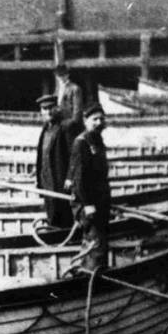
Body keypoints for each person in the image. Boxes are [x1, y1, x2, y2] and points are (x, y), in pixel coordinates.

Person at [67, 104, 112, 270]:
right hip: (88, 203)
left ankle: (91, 271)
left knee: (99, 240)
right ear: (86, 121)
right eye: (95, 119)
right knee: (96, 242)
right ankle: (94, 276)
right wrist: (87, 205)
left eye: (101, 119)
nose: (99, 122)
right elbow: (79, 178)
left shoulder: (97, 140)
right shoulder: (81, 143)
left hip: (101, 201)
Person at [34, 93, 78, 229]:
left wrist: (70, 177)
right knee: (51, 211)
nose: (48, 112)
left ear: (57, 108)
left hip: (60, 179)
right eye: (44, 109)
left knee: (63, 213)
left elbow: (74, 155)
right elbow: (44, 153)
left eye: (51, 108)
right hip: (46, 179)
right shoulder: (45, 129)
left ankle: (64, 235)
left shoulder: (65, 127)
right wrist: (38, 172)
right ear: (41, 111)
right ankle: (54, 232)